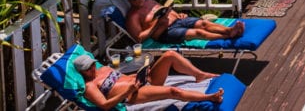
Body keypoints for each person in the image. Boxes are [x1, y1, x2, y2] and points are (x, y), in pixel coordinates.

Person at [73, 51, 223, 110]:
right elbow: (105, 106)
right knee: (172, 91)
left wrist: (141, 74)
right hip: (133, 94)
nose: (92, 69)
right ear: (81, 72)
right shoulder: (90, 86)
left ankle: (200, 75)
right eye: (88, 69)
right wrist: (129, 90)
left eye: (92, 65)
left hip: (142, 81)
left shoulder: (103, 69)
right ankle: (209, 97)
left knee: (169, 55)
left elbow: (122, 77)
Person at [125, 0, 244, 44]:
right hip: (165, 32)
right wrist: (156, 24)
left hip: (178, 20)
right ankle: (228, 36)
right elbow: (139, 38)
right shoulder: (133, 16)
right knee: (199, 32)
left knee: (203, 23)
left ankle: (229, 30)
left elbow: (165, 9)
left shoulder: (149, 1)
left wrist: (177, 14)